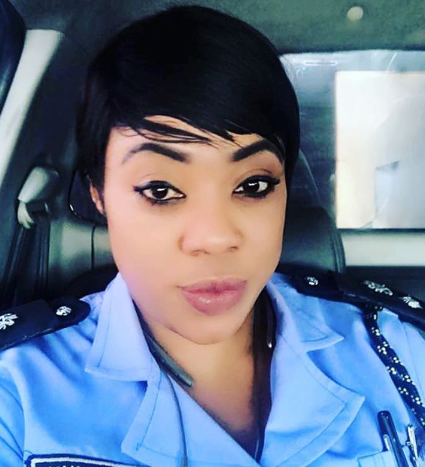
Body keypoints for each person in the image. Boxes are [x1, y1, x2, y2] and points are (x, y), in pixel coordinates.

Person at [0, 5, 425, 467]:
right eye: (161, 190)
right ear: (98, 195)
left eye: (253, 186)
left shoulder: (395, 350)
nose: (216, 238)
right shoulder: (17, 396)